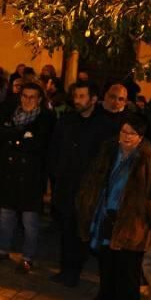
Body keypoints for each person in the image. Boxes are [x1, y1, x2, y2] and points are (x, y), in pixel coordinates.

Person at [78, 113, 151, 300]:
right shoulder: (108, 150)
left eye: (132, 133)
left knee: (129, 266)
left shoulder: (150, 159)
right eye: (123, 131)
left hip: (132, 219)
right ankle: (106, 293)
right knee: (106, 257)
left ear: (141, 136)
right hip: (105, 212)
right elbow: (93, 176)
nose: (126, 136)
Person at [48, 83, 118, 286]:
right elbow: (54, 150)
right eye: (75, 96)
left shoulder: (105, 126)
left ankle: (74, 270)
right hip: (65, 185)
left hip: (89, 190)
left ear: (93, 99)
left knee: (81, 231)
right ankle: (65, 269)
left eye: (81, 96)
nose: (77, 100)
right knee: (66, 228)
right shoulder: (67, 121)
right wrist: (55, 174)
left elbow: (106, 159)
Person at [0, 83, 54, 273]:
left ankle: (28, 257)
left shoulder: (46, 119)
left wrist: (16, 138)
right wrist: (22, 137)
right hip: (8, 173)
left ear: (40, 99)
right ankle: (3, 249)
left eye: (32, 97)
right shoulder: (10, 114)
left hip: (31, 177)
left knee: (30, 220)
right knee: (6, 215)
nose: (27, 100)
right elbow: (0, 137)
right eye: (25, 96)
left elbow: (38, 145)